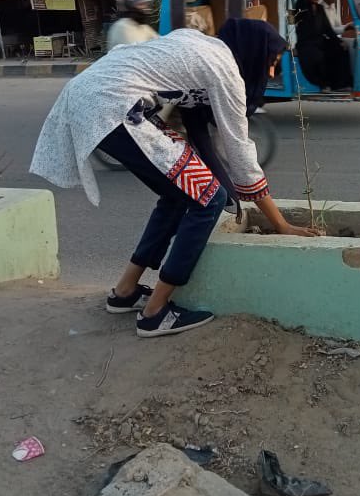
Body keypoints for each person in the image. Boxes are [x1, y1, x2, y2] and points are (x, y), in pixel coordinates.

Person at [30, 19, 321, 338]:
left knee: (180, 196)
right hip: (112, 105)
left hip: (91, 97)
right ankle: (155, 312)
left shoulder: (201, 48)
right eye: (271, 62)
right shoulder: (224, 71)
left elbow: (201, 137)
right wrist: (280, 224)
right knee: (209, 202)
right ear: (254, 52)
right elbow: (239, 153)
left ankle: (125, 291)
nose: (269, 73)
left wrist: (230, 193)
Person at [294, 0, 352, 90]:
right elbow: (302, 0)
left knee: (341, 49)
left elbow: (328, 29)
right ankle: (323, 84)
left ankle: (341, 84)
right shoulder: (302, 7)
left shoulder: (320, 8)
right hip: (306, 44)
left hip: (319, 42)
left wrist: (339, 42)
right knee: (318, 56)